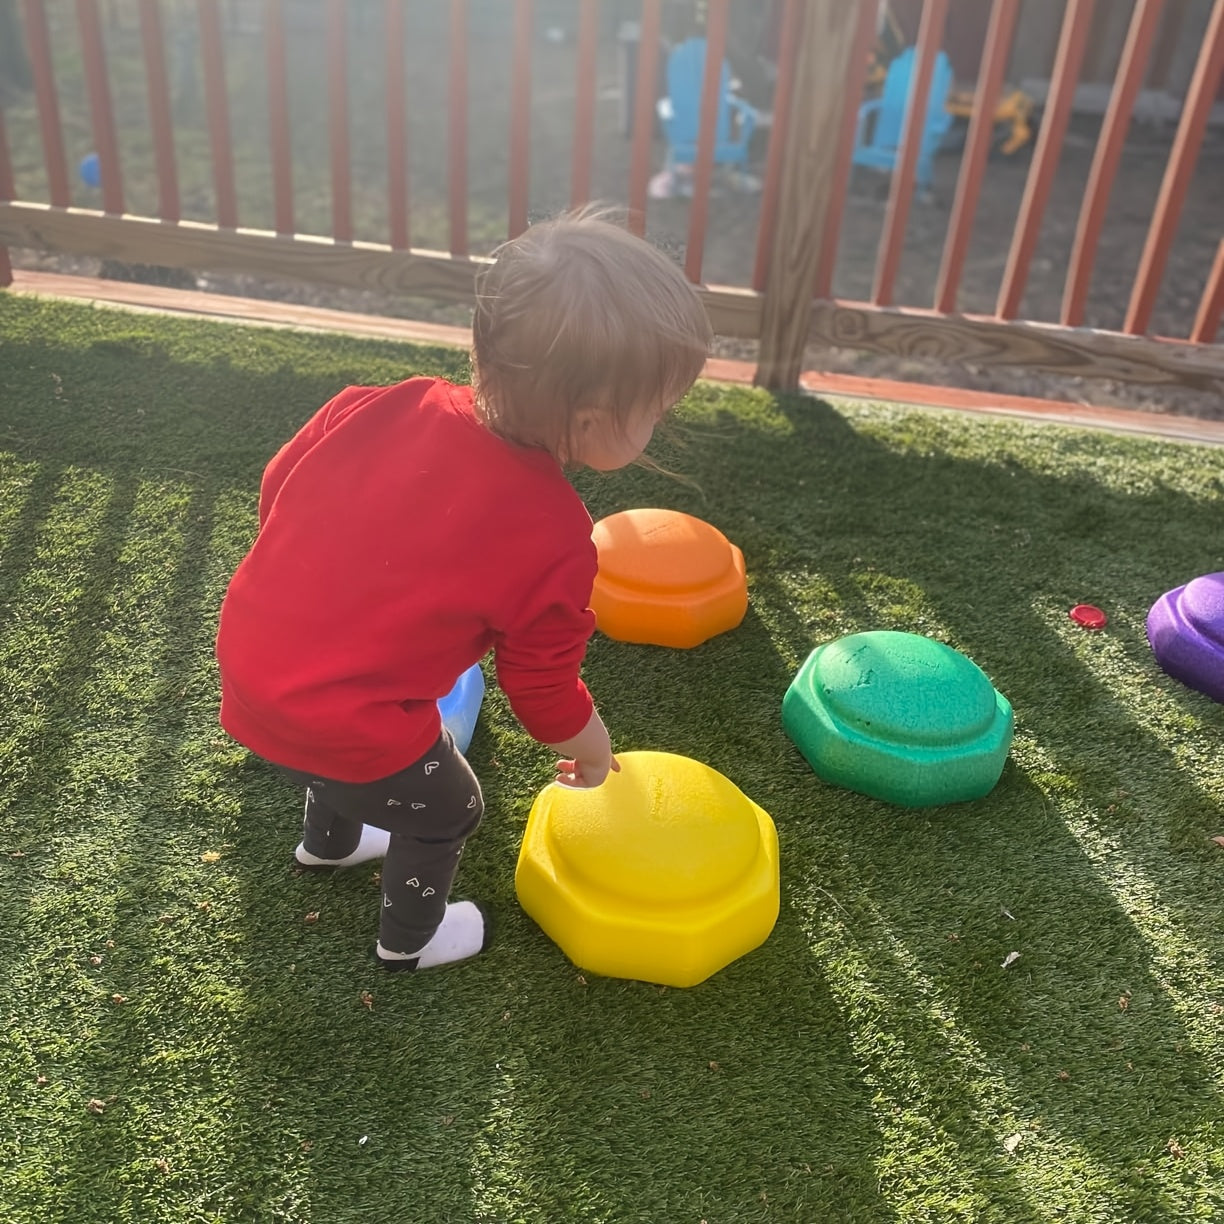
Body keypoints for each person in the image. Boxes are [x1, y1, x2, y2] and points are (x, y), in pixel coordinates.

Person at [214, 210, 713, 972]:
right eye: (658, 410)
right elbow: (540, 686)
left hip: (255, 662)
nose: (663, 424)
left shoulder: (385, 399)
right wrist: (591, 746)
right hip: (346, 716)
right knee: (452, 808)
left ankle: (328, 847)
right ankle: (410, 942)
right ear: (590, 421)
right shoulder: (554, 538)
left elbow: (279, 482)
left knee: (332, 742)